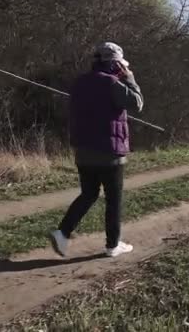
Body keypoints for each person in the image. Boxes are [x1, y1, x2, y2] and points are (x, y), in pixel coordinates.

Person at [50, 42, 144, 258]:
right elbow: (137, 103)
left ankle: (62, 232)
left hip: (83, 151)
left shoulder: (79, 83)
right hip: (109, 152)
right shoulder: (113, 83)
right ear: (115, 64)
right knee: (114, 199)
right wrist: (129, 77)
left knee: (89, 193)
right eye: (120, 64)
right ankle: (113, 245)